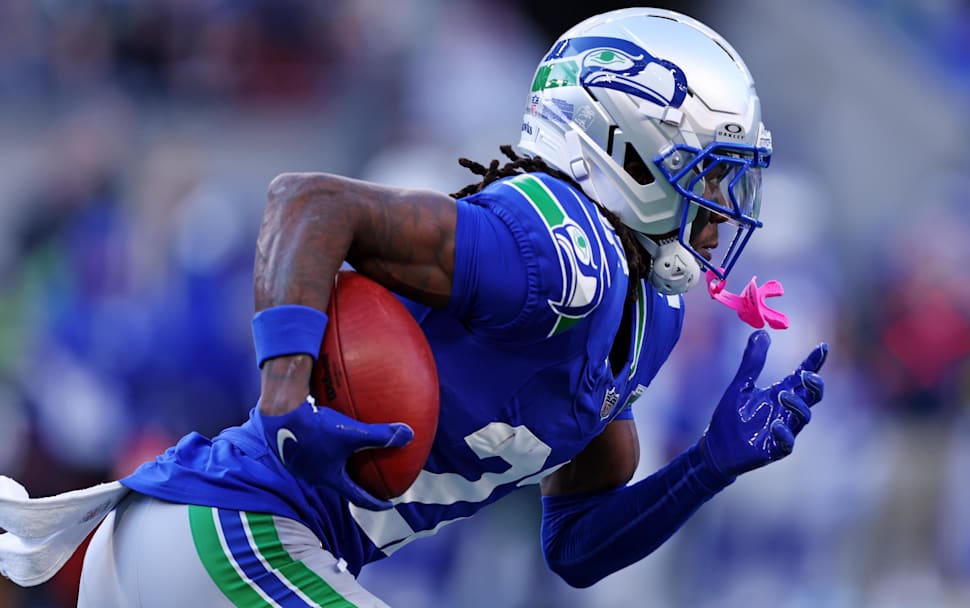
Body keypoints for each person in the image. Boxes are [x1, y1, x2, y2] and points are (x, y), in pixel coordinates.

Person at [0, 8, 827, 607]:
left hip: (245, 555)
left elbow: (577, 549)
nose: (724, 206)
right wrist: (285, 393)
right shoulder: (556, 254)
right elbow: (307, 202)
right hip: (229, 532)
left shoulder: (647, 317)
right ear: (622, 144)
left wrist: (704, 470)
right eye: (709, 171)